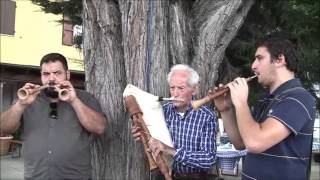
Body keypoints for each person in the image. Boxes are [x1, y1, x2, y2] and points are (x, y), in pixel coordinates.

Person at [213, 34, 316, 179]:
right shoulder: (265, 100)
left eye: (260, 58)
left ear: (280, 60)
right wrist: (225, 109)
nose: (253, 65)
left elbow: (255, 142)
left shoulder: (298, 98)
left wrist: (241, 103)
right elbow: (241, 143)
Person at [0, 53, 107, 180]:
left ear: (67, 74)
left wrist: (74, 101)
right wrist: (20, 104)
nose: (51, 79)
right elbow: (4, 128)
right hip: (36, 176)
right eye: (46, 74)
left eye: (57, 73)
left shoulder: (84, 98)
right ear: (41, 76)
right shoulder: (27, 99)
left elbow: (100, 128)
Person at [133, 64, 217, 180]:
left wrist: (170, 150)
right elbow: (153, 141)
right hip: (163, 175)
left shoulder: (206, 116)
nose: (175, 93)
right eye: (172, 88)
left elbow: (208, 159)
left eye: (181, 88)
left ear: (194, 89)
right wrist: (143, 136)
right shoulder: (163, 111)